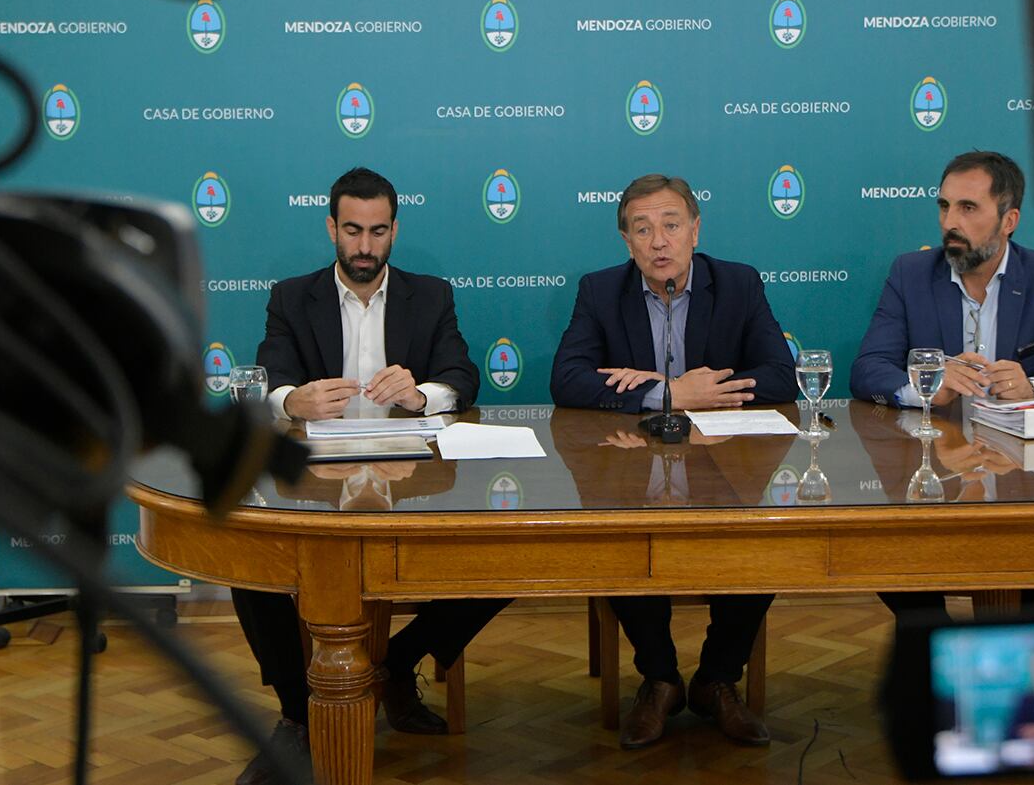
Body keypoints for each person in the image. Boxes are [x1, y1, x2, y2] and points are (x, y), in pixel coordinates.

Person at [231, 167, 509, 785]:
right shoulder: (290, 296)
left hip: (413, 483)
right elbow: (271, 380)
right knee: (254, 571)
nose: (364, 247)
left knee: (509, 554)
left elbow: (463, 378)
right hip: (315, 486)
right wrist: (290, 402)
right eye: (352, 231)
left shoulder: (430, 295)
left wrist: (421, 394)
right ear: (332, 227)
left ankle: (397, 659)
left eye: (377, 232)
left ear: (394, 231)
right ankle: (298, 716)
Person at [550, 173, 797, 749]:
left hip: (724, 470)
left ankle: (717, 679)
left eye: (671, 225)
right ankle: (659, 679)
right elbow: (566, 379)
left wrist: (695, 390)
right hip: (633, 469)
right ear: (626, 241)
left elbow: (782, 375)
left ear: (695, 230)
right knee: (618, 534)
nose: (659, 241)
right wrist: (667, 394)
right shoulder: (599, 290)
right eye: (643, 229)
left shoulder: (737, 284)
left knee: (765, 538)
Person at [849, 151, 1034, 624]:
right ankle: (937, 657)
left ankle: (1012, 662)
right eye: (944, 206)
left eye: (968, 208)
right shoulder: (911, 274)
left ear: (1008, 219)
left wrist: (1033, 384)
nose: (950, 221)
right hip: (933, 479)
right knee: (893, 565)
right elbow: (868, 369)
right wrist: (926, 385)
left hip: (1028, 487)